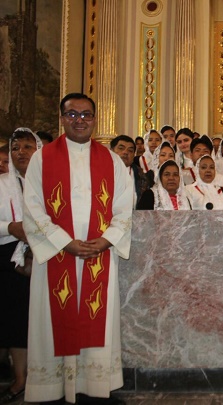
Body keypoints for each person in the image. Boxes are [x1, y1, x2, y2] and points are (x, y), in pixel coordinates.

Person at [22, 93, 133, 403]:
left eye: (86, 114)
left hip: (99, 255)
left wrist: (107, 239)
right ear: (62, 118)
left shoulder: (111, 160)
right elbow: (32, 207)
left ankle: (93, 386)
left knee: (96, 320)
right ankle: (52, 389)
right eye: (72, 114)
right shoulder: (42, 159)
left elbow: (125, 206)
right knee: (55, 321)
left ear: (95, 119)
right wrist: (64, 243)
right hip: (57, 255)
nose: (80, 120)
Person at [0, 128, 42, 404]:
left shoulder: (49, 183)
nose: (21, 153)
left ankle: (33, 377)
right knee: (13, 319)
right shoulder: (2, 184)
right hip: (7, 255)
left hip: (44, 256)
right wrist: (10, 227)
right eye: (15, 148)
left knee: (35, 320)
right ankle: (18, 377)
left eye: (28, 147)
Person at [109, 135, 149, 207]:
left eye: (130, 150)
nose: (125, 152)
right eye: (121, 148)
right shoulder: (101, 173)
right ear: (111, 151)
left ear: (134, 155)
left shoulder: (142, 177)